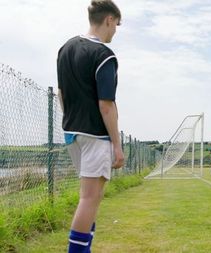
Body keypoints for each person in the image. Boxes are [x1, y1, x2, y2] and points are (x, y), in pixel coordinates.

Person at [57, 1, 123, 252]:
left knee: (89, 199)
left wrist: (72, 121)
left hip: (72, 133)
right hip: (95, 135)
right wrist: (117, 145)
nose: (116, 30)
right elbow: (106, 105)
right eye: (117, 24)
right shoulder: (104, 55)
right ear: (109, 19)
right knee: (89, 199)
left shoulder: (66, 48)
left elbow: (61, 94)